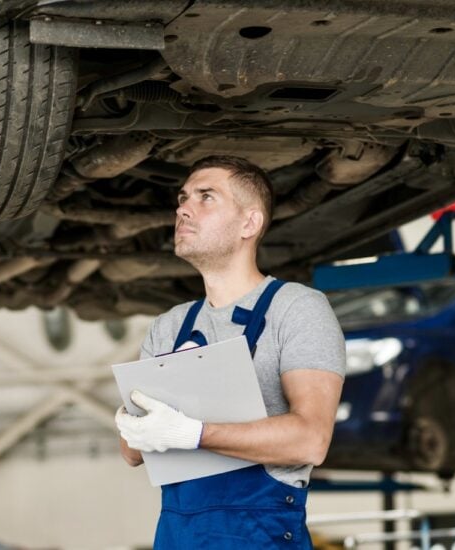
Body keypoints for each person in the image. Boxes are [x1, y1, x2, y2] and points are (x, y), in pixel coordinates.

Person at [115, 155, 346, 549]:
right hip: (178, 536)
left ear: (249, 224)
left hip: (257, 535)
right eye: (183, 197)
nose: (183, 208)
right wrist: (130, 424)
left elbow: (311, 440)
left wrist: (193, 433)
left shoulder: (295, 308)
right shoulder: (169, 326)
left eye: (206, 197)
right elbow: (133, 454)